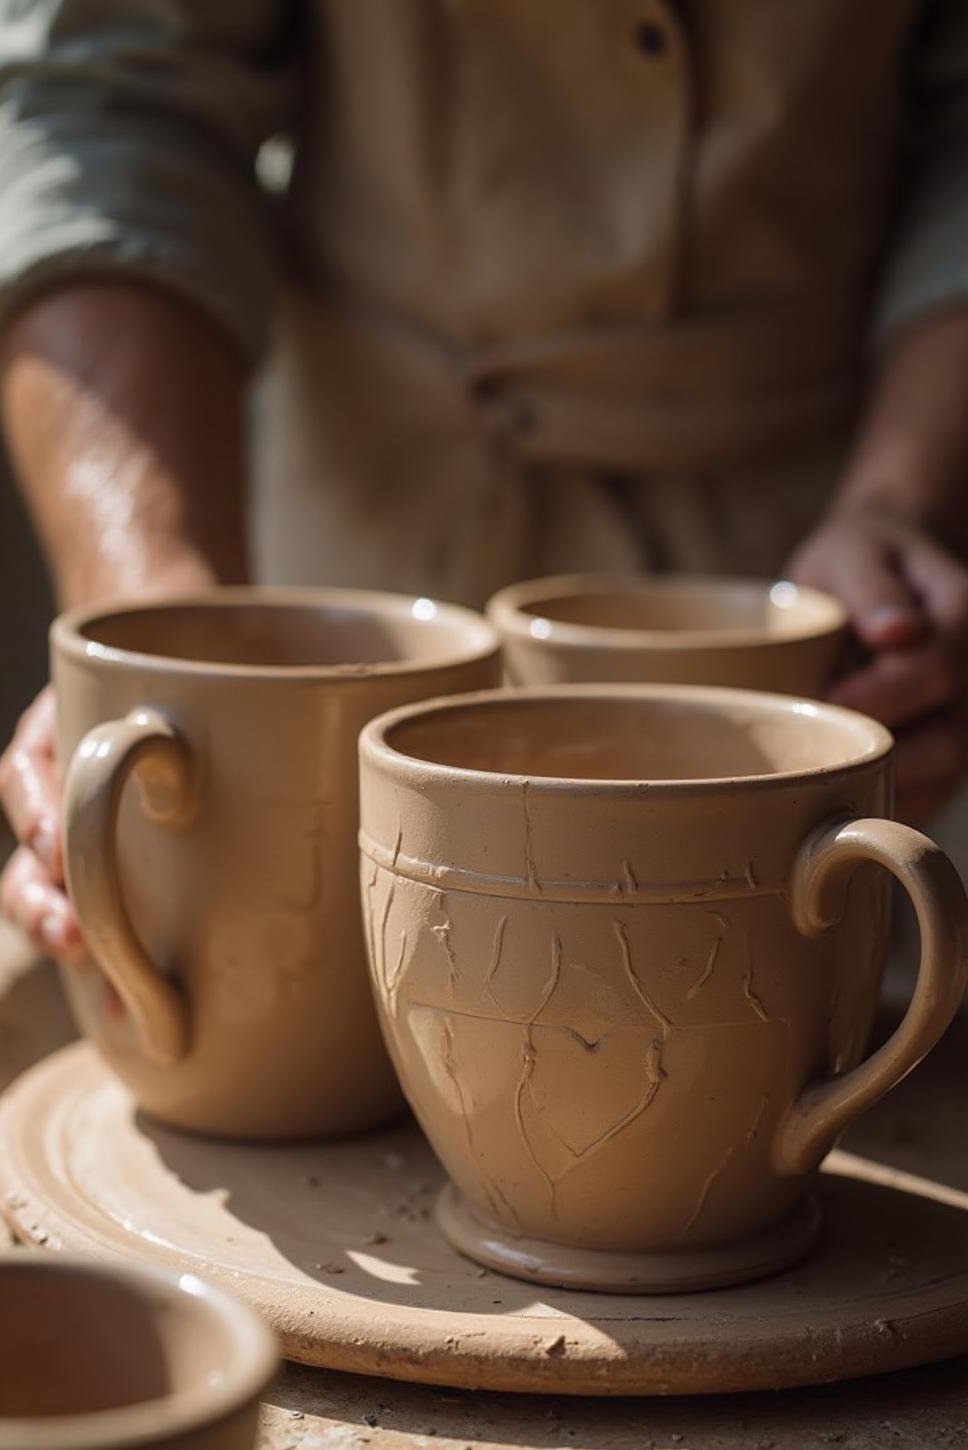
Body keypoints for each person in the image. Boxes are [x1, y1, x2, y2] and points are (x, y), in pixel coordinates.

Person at [1, 1, 968, 964]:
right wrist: (154, 626)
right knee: (287, 957)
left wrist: (901, 501)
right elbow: (108, 104)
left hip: (821, 527)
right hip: (360, 507)